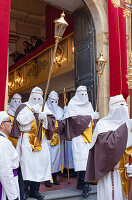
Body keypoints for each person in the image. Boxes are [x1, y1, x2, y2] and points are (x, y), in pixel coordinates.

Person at [85, 94, 132, 200]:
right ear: (113, 108)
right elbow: (108, 145)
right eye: (121, 105)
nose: (124, 108)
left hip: (128, 173)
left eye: (126, 105)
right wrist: (126, 127)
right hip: (111, 174)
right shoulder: (103, 125)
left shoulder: (129, 124)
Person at [10, 87, 51, 200]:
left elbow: (52, 123)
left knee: (39, 166)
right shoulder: (24, 107)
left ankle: (35, 190)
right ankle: (24, 190)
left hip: (40, 140)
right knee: (26, 166)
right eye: (35, 98)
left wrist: (45, 118)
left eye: (39, 98)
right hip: (27, 139)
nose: (37, 100)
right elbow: (21, 120)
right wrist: (32, 112)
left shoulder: (44, 108)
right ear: (30, 97)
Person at [63, 85, 99, 198]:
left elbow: (90, 120)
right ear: (77, 94)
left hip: (89, 136)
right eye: (81, 94)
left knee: (87, 160)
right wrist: (90, 117)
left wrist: (93, 118)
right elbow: (75, 121)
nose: (84, 96)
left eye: (85, 94)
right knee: (82, 161)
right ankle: (86, 186)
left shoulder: (89, 105)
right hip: (78, 136)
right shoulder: (72, 105)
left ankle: (81, 183)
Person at [43, 91, 64, 187]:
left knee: (56, 158)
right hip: (47, 137)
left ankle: (54, 176)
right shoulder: (44, 108)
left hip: (57, 137)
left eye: (56, 101)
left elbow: (63, 123)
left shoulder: (60, 110)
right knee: (47, 158)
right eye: (52, 101)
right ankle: (47, 178)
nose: (54, 103)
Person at [0, 111, 20, 200]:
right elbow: (5, 171)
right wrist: (13, 196)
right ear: (2, 125)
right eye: (9, 121)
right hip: (6, 187)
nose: (11, 123)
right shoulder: (3, 142)